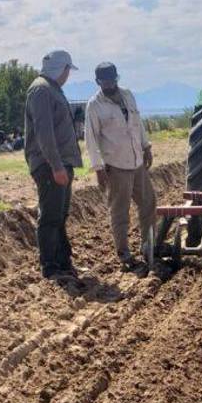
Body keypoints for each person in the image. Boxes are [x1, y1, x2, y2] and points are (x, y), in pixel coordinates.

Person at [83, 62, 156, 270]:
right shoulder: (95, 105)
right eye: (104, 81)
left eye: (112, 80)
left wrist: (146, 146)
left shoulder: (127, 95)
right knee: (120, 211)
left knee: (149, 203)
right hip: (116, 166)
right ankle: (123, 253)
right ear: (98, 82)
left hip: (137, 162)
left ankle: (148, 245)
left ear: (117, 78)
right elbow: (91, 138)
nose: (109, 84)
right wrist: (98, 168)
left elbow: (138, 124)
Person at [24, 50, 83, 280]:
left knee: (60, 215)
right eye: (68, 70)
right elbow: (44, 134)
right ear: (62, 69)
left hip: (60, 164)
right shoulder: (41, 90)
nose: (68, 75)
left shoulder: (52, 89)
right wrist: (57, 166)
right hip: (50, 166)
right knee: (50, 216)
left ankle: (64, 263)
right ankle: (50, 267)